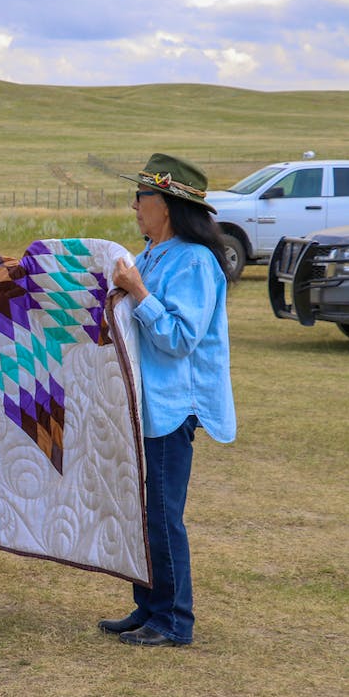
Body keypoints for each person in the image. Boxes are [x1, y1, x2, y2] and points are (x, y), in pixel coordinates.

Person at [101, 153, 237, 645]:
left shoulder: (194, 261)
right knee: (142, 511)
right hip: (143, 402)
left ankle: (175, 621)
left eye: (142, 196)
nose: (135, 205)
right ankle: (149, 607)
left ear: (167, 205)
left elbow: (179, 339)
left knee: (161, 513)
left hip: (172, 405)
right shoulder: (154, 253)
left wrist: (137, 291)